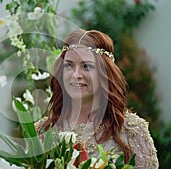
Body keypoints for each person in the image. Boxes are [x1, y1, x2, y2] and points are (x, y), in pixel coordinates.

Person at [36, 29, 159, 168]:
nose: (76, 75)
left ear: (105, 73)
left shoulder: (132, 131)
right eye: (69, 65)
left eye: (86, 66)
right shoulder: (42, 132)